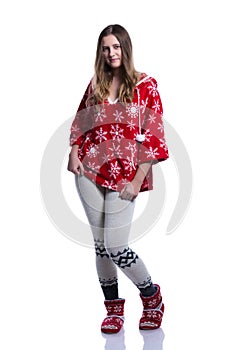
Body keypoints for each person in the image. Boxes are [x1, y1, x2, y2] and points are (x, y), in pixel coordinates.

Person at [67, 24, 169, 334]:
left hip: (125, 175)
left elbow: (154, 136)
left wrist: (138, 179)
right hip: (89, 171)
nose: (111, 53)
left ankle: (152, 296)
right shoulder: (96, 83)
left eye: (116, 47)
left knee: (116, 245)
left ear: (126, 48)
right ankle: (113, 309)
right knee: (100, 246)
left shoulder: (146, 85)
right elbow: (81, 118)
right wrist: (74, 151)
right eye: (105, 48)